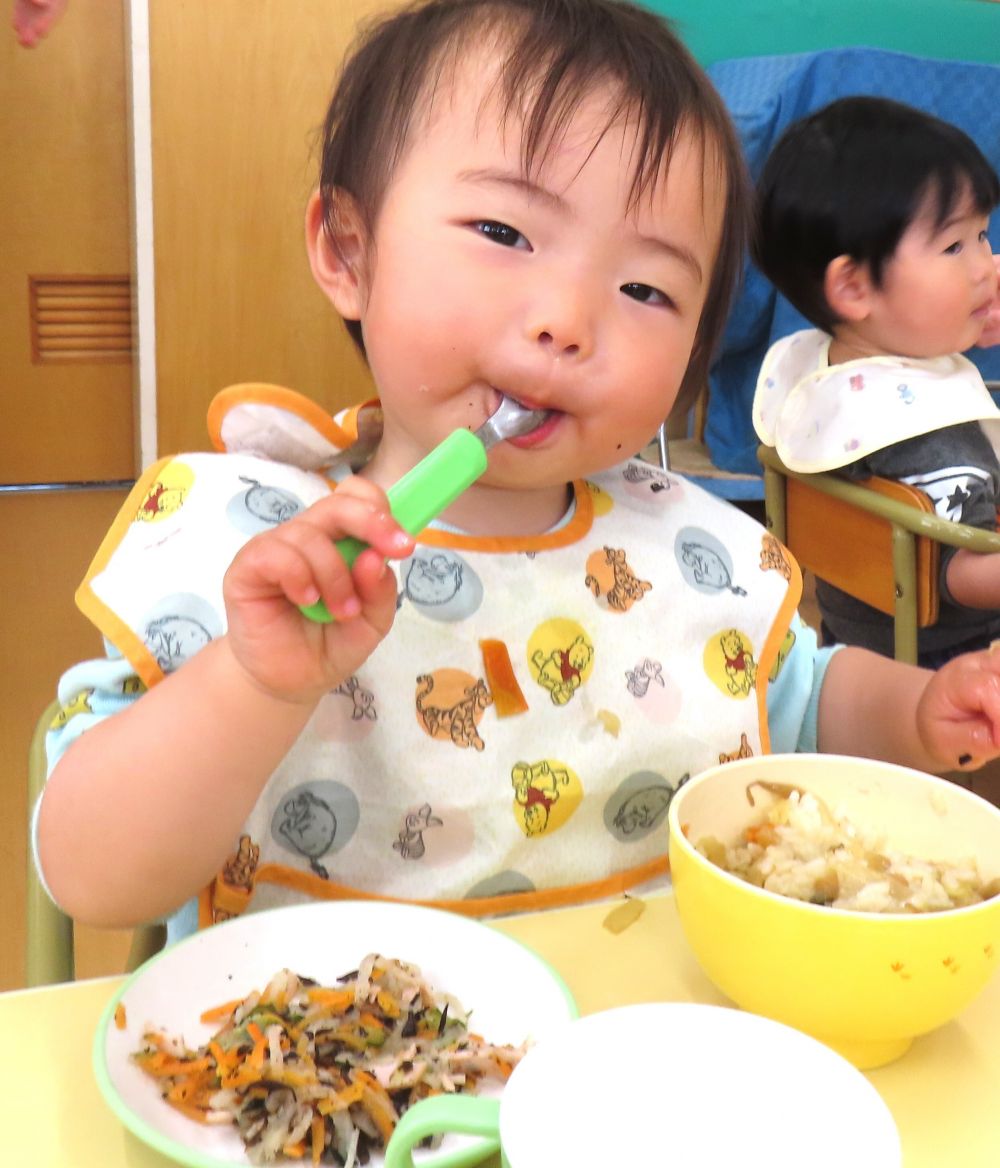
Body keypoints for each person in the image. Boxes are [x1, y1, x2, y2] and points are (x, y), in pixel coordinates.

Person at [33, 1, 1000, 946]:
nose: (568, 319)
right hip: (326, 1068)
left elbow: (802, 698)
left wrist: (920, 710)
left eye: (646, 289)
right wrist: (251, 682)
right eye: (504, 233)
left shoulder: (692, 557)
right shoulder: (252, 553)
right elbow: (92, 878)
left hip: (625, 1064)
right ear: (347, 249)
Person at [753, 96, 1000, 667]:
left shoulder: (825, 377)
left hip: (854, 639)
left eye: (983, 236)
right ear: (855, 287)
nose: (986, 265)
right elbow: (960, 575)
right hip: (952, 661)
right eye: (955, 245)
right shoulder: (927, 437)